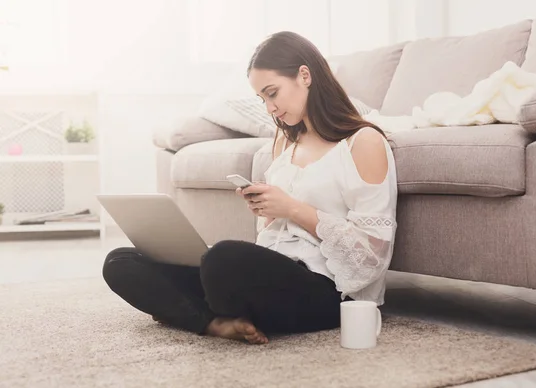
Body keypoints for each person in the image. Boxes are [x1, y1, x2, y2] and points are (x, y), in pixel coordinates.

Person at [102, 31, 398, 345]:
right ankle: (215, 323)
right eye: (262, 99)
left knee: (222, 259)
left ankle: (188, 310)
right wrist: (265, 211)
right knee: (121, 261)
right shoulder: (285, 141)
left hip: (327, 292)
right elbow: (271, 238)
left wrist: (292, 208)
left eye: (273, 93)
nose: (270, 108)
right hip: (269, 276)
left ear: (304, 75)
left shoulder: (363, 142)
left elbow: (373, 255)